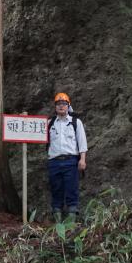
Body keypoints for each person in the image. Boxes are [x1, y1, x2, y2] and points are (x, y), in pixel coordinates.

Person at [47, 92, 87, 221]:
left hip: (71, 161)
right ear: (55, 107)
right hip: (54, 161)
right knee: (56, 188)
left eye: (64, 104)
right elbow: (35, 135)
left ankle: (71, 219)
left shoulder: (76, 122)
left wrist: (82, 159)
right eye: (58, 104)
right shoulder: (49, 123)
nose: (61, 106)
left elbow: (82, 142)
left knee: (72, 188)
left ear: (68, 105)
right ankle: (57, 217)